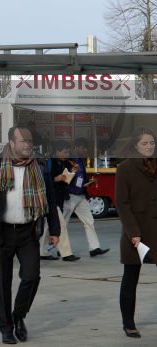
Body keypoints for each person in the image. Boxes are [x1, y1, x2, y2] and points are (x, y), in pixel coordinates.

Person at [0, 126, 61, 345]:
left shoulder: (40, 165)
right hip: (0, 232)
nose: (28, 145)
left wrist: (55, 229)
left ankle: (18, 316)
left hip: (28, 232)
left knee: (31, 276)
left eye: (30, 141)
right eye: (23, 141)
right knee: (1, 284)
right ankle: (6, 327)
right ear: (11, 142)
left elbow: (50, 199)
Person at [116, 127, 157, 339]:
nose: (149, 147)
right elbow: (122, 203)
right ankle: (128, 322)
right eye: (145, 143)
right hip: (136, 231)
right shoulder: (125, 168)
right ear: (135, 146)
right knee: (130, 277)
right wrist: (133, 232)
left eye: (152, 143)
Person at [63, 138, 108, 259]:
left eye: (85, 148)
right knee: (62, 223)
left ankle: (94, 248)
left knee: (89, 221)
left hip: (80, 194)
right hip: (70, 194)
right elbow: (65, 177)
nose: (84, 150)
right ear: (76, 147)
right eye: (82, 148)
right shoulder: (68, 159)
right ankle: (54, 249)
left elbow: (82, 177)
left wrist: (89, 182)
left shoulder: (81, 160)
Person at [41, 141, 81, 261]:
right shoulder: (49, 162)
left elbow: (67, 180)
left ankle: (41, 251)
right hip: (50, 197)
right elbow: (44, 180)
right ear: (57, 151)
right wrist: (56, 178)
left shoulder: (65, 163)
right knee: (60, 224)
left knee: (48, 226)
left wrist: (72, 172)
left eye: (68, 151)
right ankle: (66, 253)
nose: (67, 154)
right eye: (64, 151)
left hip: (59, 196)